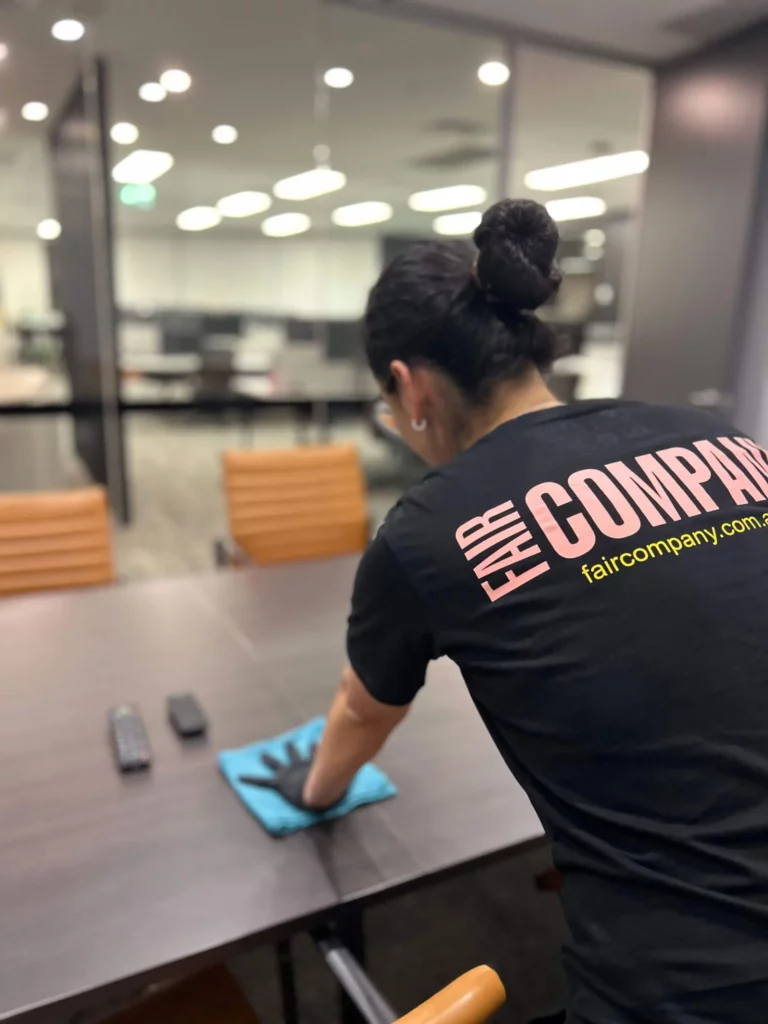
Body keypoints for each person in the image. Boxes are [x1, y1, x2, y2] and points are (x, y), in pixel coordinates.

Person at [255, 199, 768, 1023]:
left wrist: (313, 791)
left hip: (695, 992)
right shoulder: (721, 438)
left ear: (408, 386)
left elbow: (362, 710)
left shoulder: (430, 526)